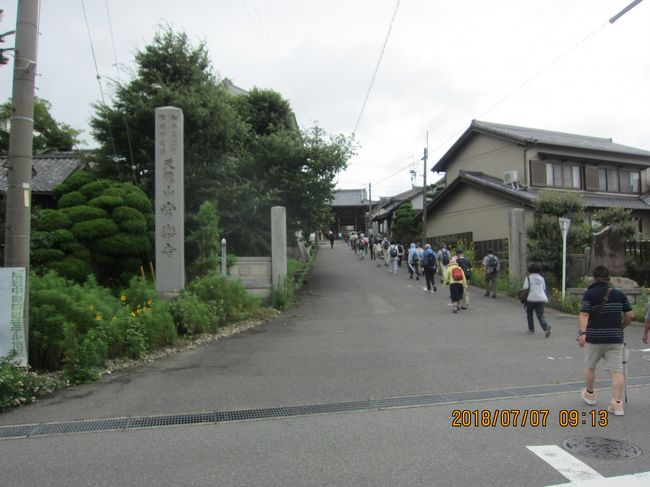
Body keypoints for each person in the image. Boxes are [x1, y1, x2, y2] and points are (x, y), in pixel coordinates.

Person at [578, 266, 634, 416]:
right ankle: (617, 404)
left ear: (594, 278)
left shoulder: (589, 294)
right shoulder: (619, 294)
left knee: (590, 367)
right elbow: (630, 316)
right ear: (609, 278)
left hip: (594, 338)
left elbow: (584, 314)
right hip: (615, 338)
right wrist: (622, 327)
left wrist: (582, 333)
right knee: (617, 371)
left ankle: (590, 395)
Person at [523, 263, 551, 337]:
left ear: (530, 270)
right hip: (541, 298)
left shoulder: (528, 278)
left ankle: (531, 329)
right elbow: (544, 288)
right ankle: (545, 327)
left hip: (531, 298)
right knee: (540, 315)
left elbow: (525, 288)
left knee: (529, 314)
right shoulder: (542, 278)